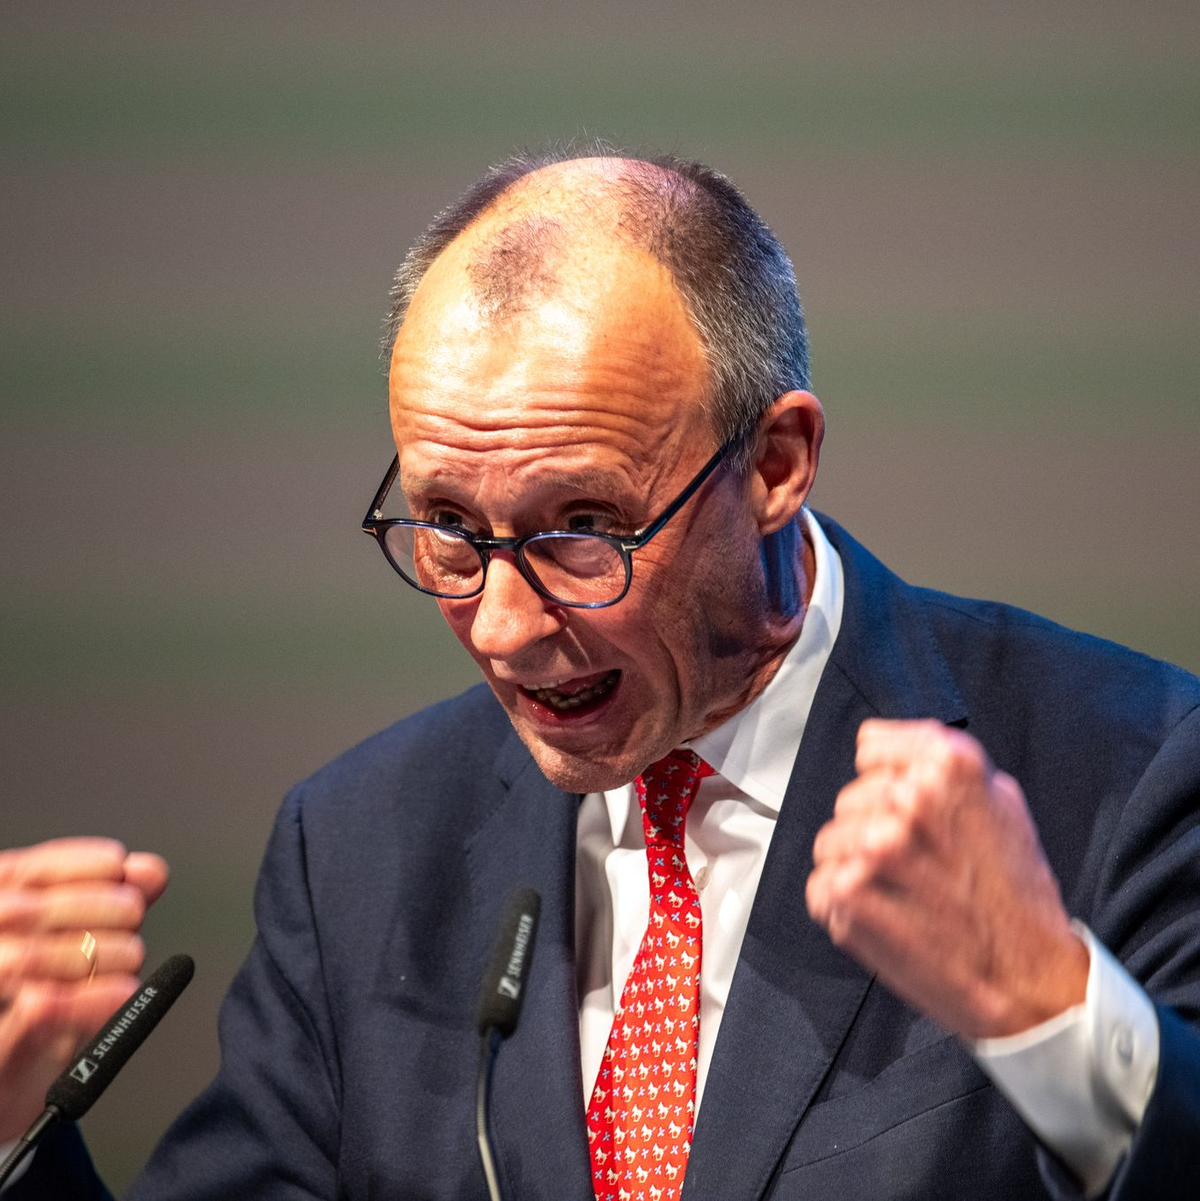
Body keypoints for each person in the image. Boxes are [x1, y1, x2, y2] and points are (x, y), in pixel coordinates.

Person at [3, 150, 1198, 1200]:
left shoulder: (1129, 771)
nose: (507, 629)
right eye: (450, 528)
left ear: (777, 462)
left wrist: (1051, 1011)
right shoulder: (358, 851)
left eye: (584, 526)